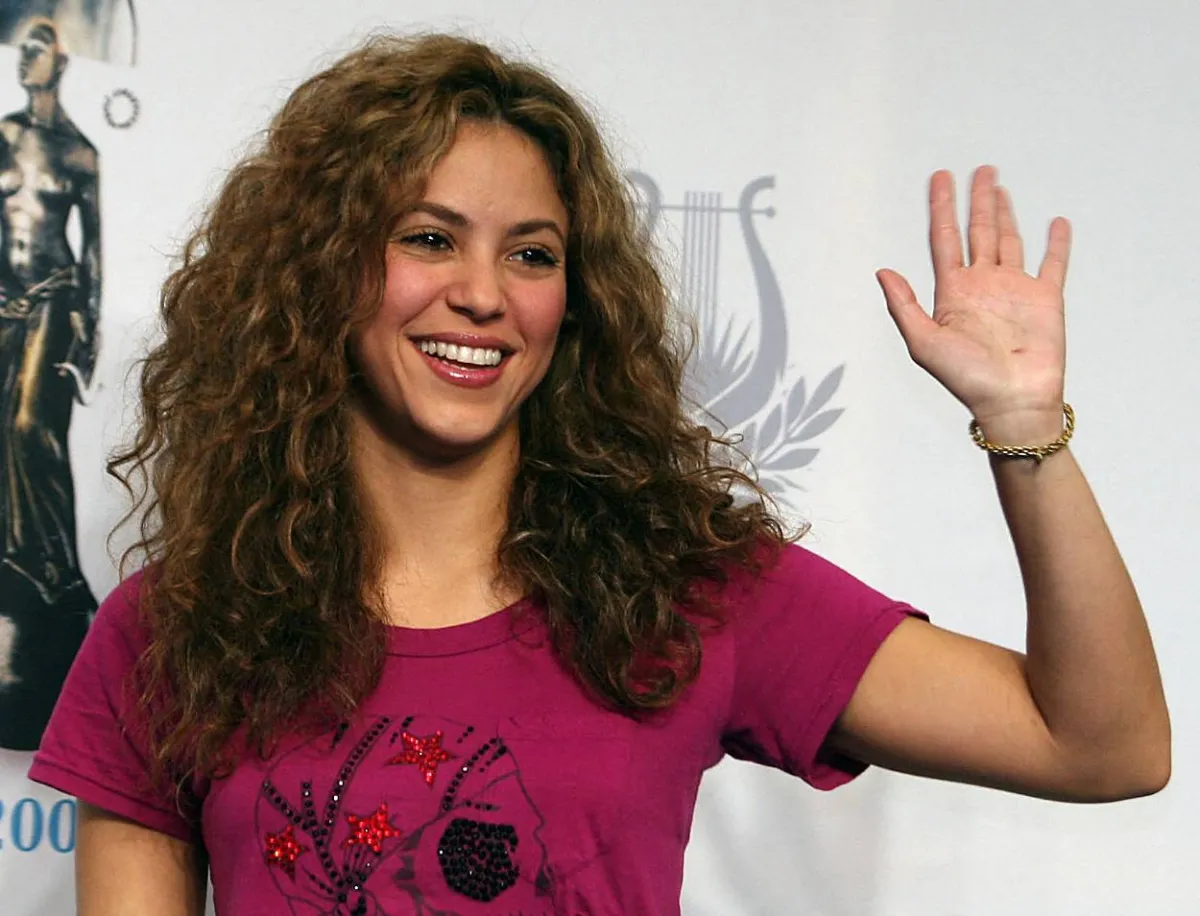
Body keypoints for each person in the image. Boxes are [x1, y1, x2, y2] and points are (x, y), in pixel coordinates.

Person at [28, 32, 1168, 916]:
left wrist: (1024, 427)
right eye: (429, 237)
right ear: (323, 269)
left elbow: (1102, 743)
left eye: (531, 253)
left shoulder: (686, 588)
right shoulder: (176, 629)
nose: (483, 293)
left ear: (571, 305)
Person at [0, 18, 99, 751]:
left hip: (54, 302)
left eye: (43, 47)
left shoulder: (80, 152)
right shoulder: (1, 135)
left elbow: (91, 254)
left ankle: (55, 570)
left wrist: (89, 332)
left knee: (35, 429)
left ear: (61, 61)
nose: (31, 56)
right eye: (24, 46)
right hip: (1, 303)